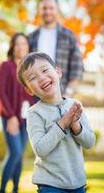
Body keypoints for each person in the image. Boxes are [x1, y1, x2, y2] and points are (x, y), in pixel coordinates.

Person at [17, 52, 96, 193]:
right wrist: (63, 123)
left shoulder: (75, 106)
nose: (41, 77)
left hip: (78, 183)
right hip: (50, 184)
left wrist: (76, 126)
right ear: (29, 90)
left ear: (58, 72)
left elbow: (89, 142)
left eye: (45, 70)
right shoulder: (34, 113)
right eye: (33, 77)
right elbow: (40, 149)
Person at [0, 33, 34, 193]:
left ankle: (15, 189)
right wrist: (11, 116)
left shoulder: (30, 68)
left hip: (26, 118)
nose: (21, 47)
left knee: (19, 157)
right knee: (15, 152)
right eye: (17, 44)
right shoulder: (6, 66)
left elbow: (33, 93)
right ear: (12, 47)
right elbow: (2, 92)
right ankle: (2, 189)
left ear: (28, 47)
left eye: (24, 44)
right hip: (10, 117)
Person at [28, 0, 84, 97]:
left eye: (51, 8)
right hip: (35, 97)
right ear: (39, 11)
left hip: (61, 94)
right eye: (44, 8)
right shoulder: (31, 37)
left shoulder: (68, 36)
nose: (47, 11)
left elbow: (77, 67)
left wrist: (68, 93)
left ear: (57, 10)